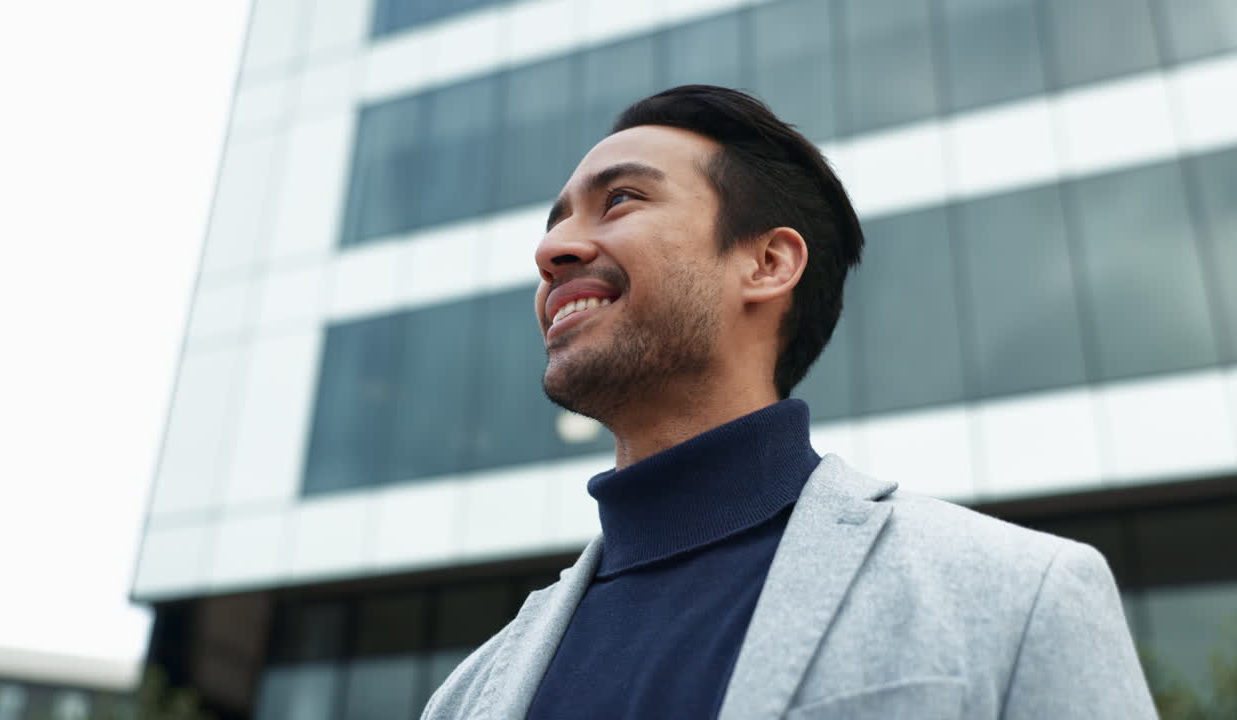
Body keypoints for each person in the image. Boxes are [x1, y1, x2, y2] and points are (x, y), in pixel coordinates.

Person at [422, 85, 1156, 719]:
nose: (551, 252)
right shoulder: (467, 693)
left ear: (769, 263)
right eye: (555, 223)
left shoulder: (1020, 593)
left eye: (619, 200)